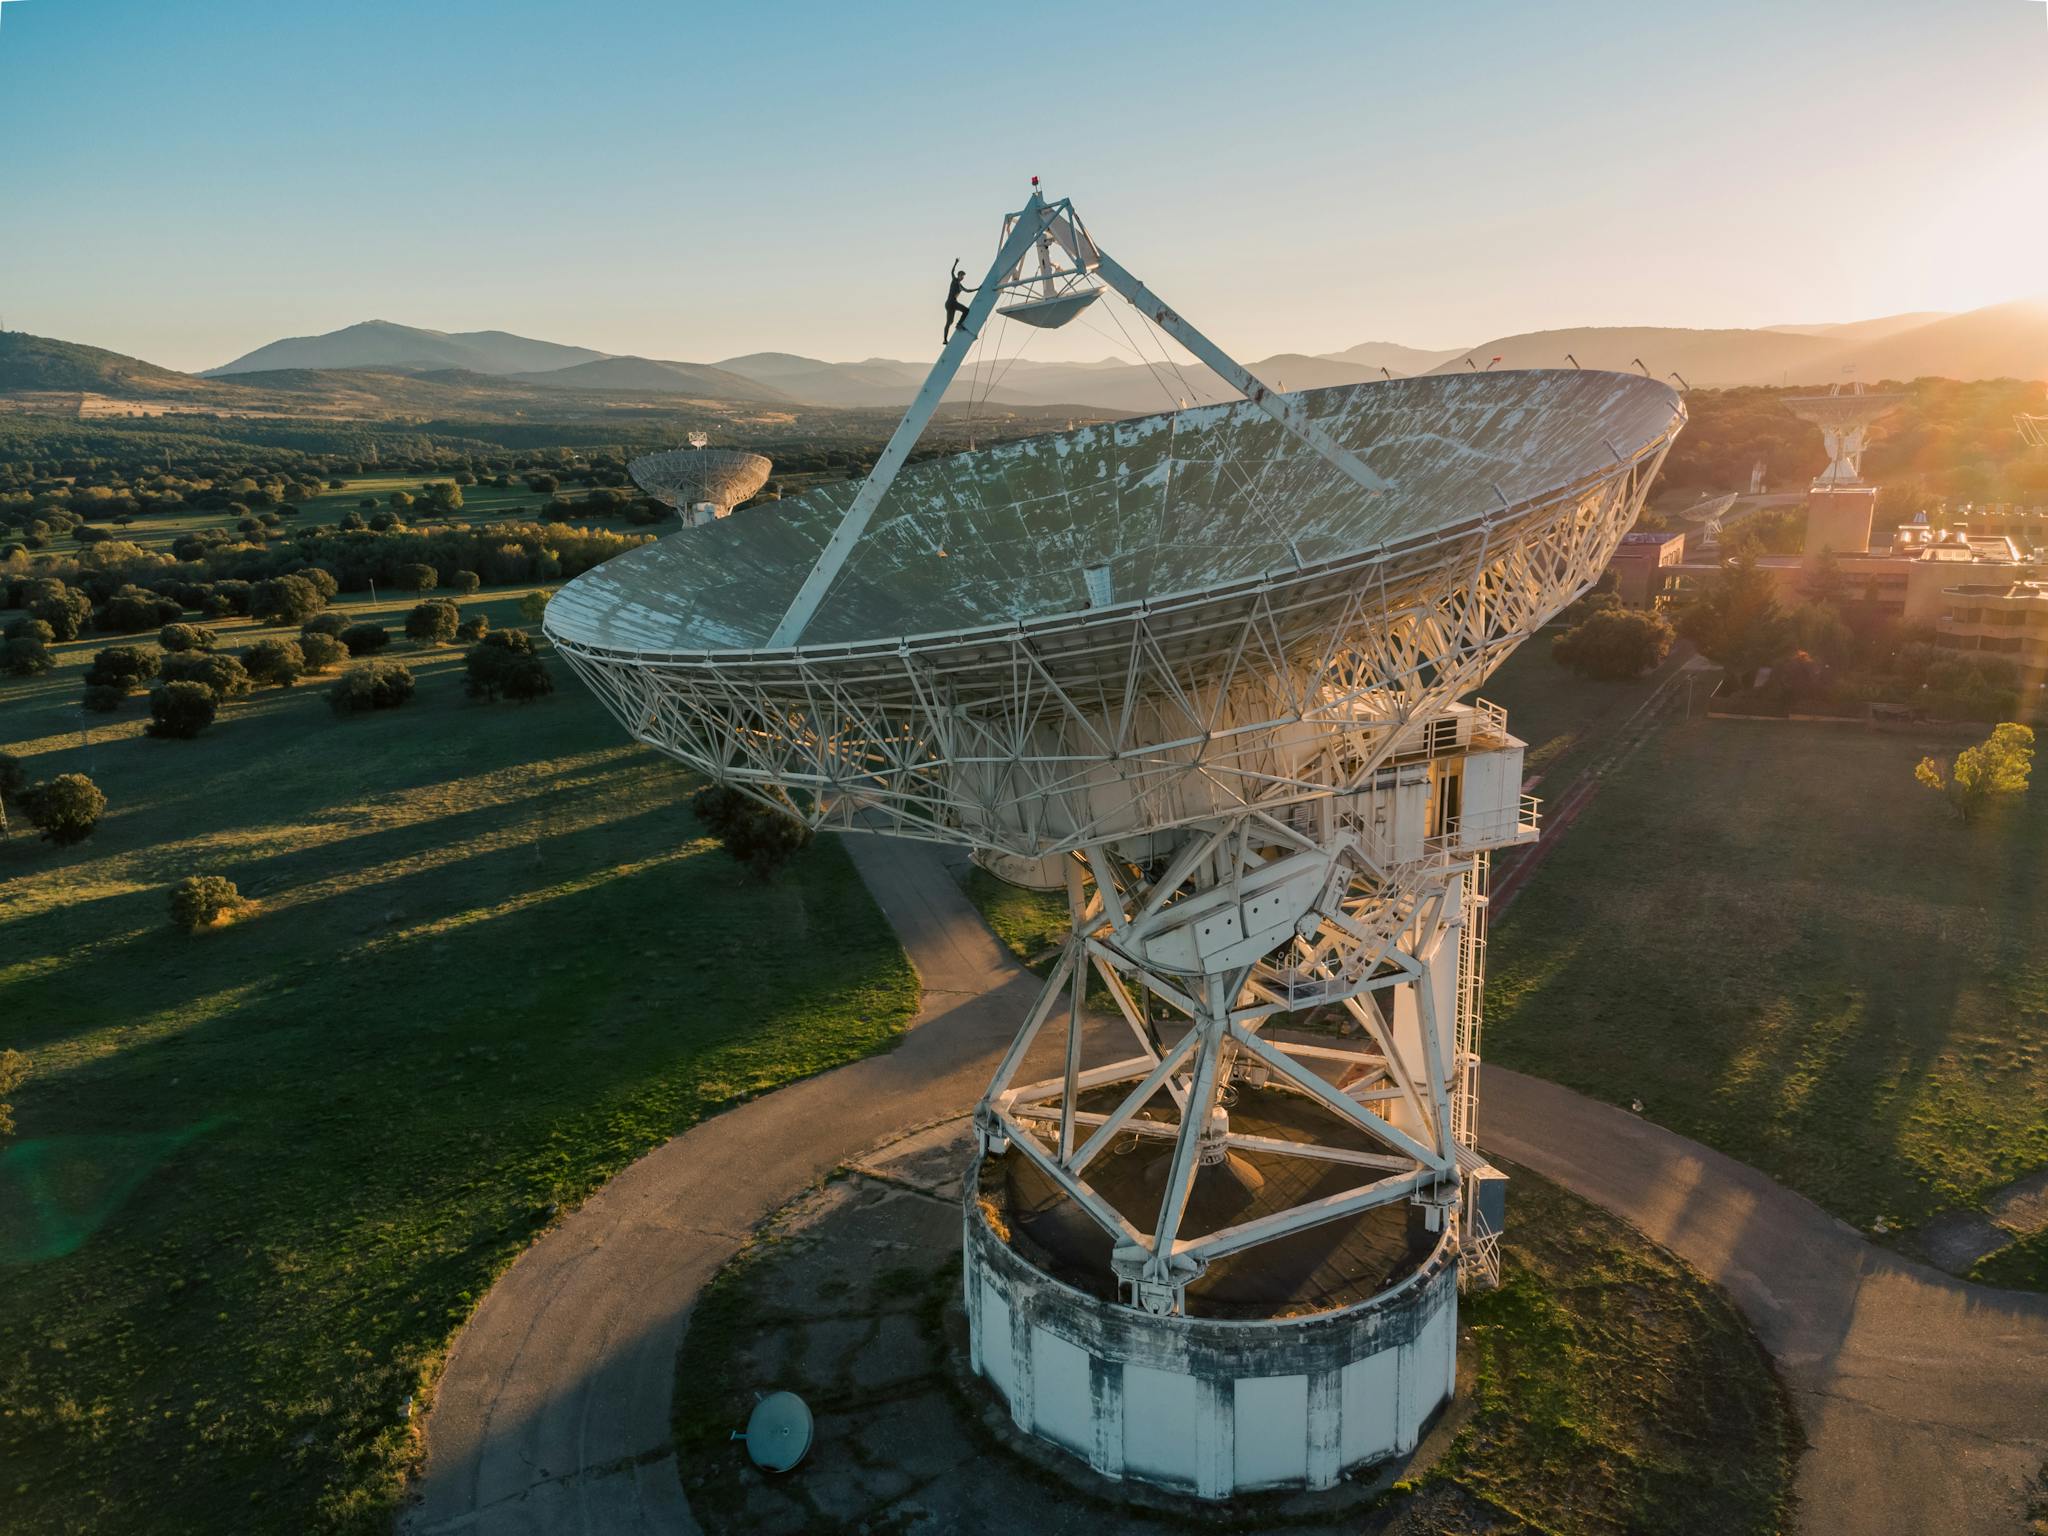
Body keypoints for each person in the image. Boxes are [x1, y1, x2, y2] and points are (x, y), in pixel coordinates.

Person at [943, 260, 975, 343]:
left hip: (951, 304)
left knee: (950, 322)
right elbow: (952, 271)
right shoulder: (954, 280)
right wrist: (955, 263)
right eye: (961, 275)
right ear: (959, 275)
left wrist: (977, 289)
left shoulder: (960, 286)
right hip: (951, 302)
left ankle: (945, 340)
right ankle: (958, 326)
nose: (962, 277)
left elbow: (967, 290)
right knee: (966, 310)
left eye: (963, 276)